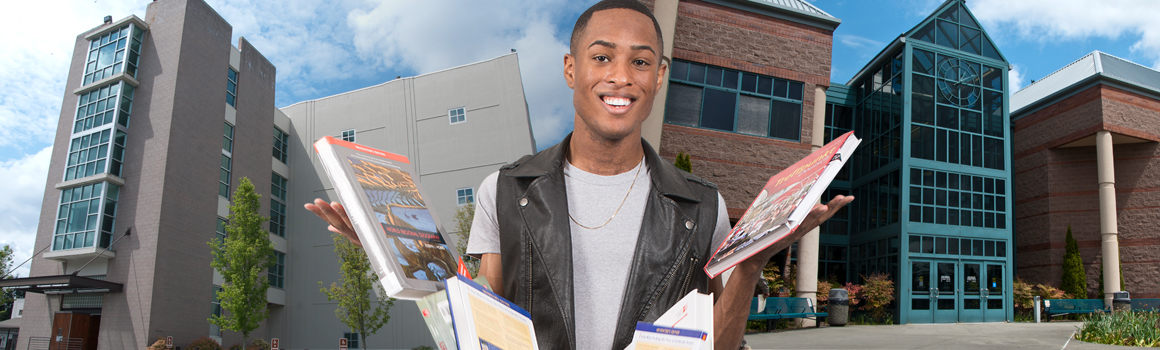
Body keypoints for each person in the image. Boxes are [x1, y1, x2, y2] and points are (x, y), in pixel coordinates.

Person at [306, 1, 852, 349]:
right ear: (572, 69)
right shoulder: (508, 189)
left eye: (640, 62)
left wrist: (752, 264)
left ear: (659, 77)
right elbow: (479, 329)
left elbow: (719, 346)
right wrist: (397, 254)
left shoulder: (701, 206)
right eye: (601, 57)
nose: (621, 77)